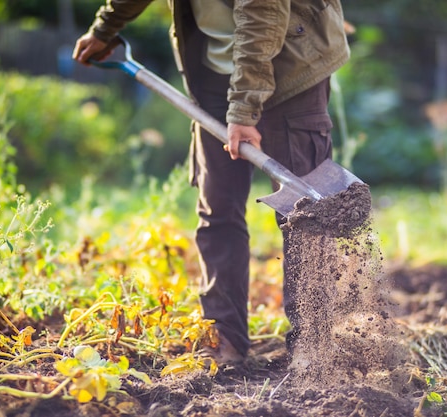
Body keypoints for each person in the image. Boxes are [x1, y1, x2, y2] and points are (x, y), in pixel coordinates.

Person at [73, 0, 350, 365]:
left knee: (306, 216)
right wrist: (105, 28)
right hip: (213, 78)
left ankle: (318, 343)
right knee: (217, 209)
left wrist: (244, 109)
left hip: (290, 65)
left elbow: (262, 14)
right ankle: (224, 338)